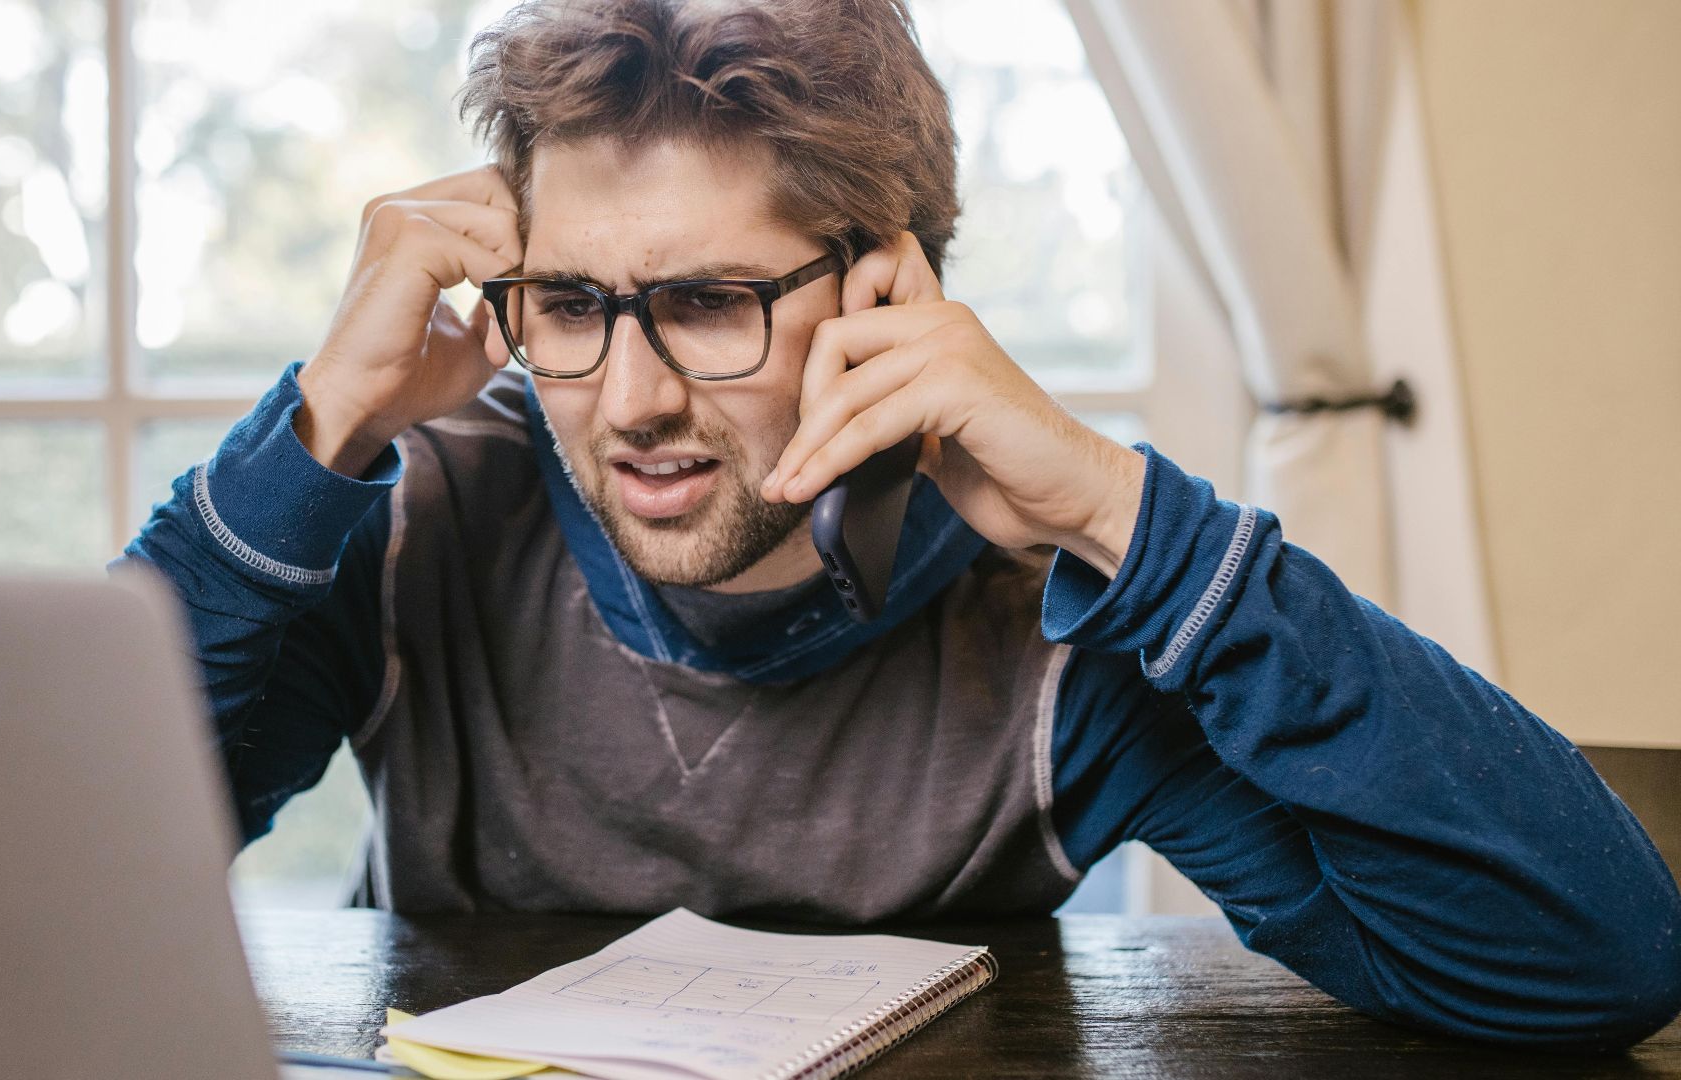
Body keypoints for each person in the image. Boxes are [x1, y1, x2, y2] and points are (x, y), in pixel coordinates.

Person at [117, 0, 1681, 1051]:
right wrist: (311, 439)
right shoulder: (409, 519)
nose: (632, 398)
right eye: (575, 304)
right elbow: (61, 875)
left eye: (714, 301)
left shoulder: (1052, 617)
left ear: (889, 289)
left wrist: (1131, 520)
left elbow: (1587, 963)